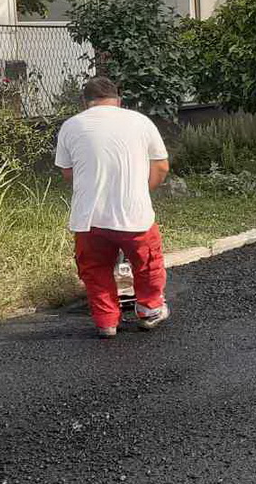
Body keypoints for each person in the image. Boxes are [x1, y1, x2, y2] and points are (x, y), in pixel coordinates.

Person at [55, 76, 171, 339]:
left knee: (95, 270)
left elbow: (67, 171)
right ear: (118, 99)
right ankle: (149, 311)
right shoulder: (140, 122)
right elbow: (162, 166)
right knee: (147, 264)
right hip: (134, 215)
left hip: (89, 218)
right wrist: (142, 190)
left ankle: (106, 322)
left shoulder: (71, 126)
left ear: (85, 102)